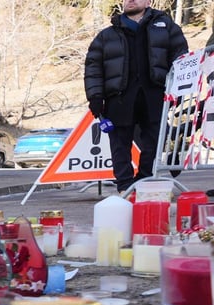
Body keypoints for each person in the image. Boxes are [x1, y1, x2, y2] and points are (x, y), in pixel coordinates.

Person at [83, 0, 187, 193]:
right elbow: (93, 68)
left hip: (156, 95)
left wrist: (178, 90)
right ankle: (124, 187)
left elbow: (180, 59)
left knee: (155, 143)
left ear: (148, 1)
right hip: (118, 98)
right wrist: (95, 97)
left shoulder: (167, 28)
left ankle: (144, 180)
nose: (130, 0)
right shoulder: (106, 36)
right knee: (119, 146)